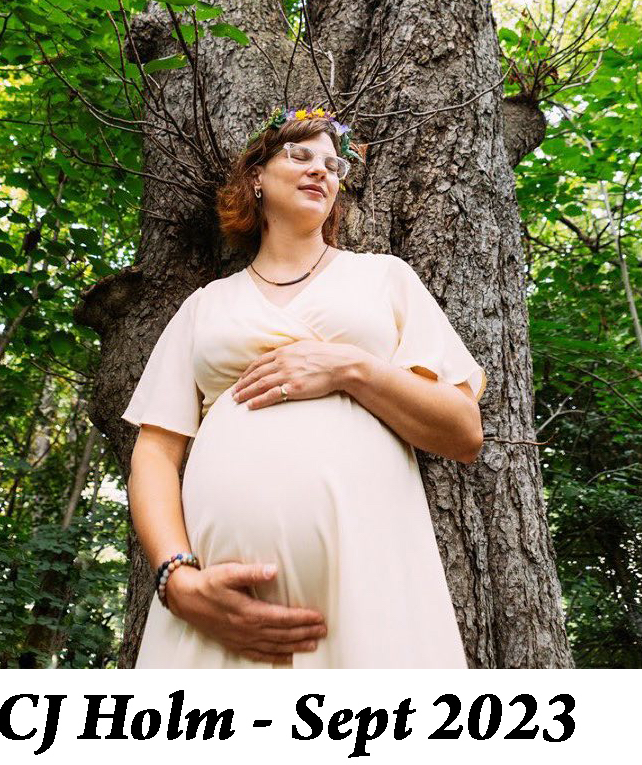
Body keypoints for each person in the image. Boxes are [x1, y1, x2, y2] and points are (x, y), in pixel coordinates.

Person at [122, 105, 487, 668]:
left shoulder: (384, 278)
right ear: (255, 179)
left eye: (334, 164)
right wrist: (178, 581)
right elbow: (154, 450)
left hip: (369, 581)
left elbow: (462, 432)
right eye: (300, 155)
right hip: (218, 609)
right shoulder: (206, 305)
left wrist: (350, 368)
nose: (322, 170)